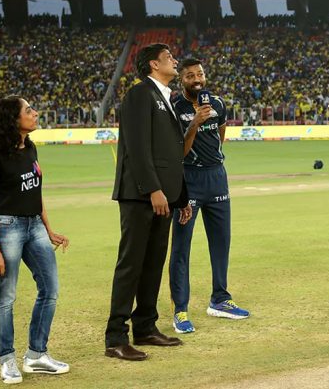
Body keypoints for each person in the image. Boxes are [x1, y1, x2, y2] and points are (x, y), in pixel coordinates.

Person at [105, 43, 193, 361]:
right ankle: (116, 337)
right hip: (140, 196)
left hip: (163, 198)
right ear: (154, 65)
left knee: (153, 263)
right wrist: (153, 189)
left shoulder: (165, 98)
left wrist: (179, 197)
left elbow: (169, 155)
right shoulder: (140, 94)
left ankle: (145, 327)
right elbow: (138, 146)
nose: (175, 61)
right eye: (169, 58)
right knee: (131, 264)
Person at [0, 96, 71, 384]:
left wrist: (48, 228)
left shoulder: (29, 147)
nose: (35, 113)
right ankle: (7, 360)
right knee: (6, 296)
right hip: (6, 228)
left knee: (50, 289)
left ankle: (35, 355)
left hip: (34, 227)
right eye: (28, 110)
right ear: (13, 119)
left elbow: (36, 192)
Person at [169, 58, 250, 334]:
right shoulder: (175, 107)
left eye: (200, 74)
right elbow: (177, 152)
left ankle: (220, 299)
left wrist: (208, 143)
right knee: (181, 247)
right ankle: (180, 310)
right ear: (182, 80)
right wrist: (195, 123)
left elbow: (220, 135)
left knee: (221, 242)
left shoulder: (216, 102)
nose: (197, 79)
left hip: (216, 177)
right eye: (190, 75)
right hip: (188, 179)